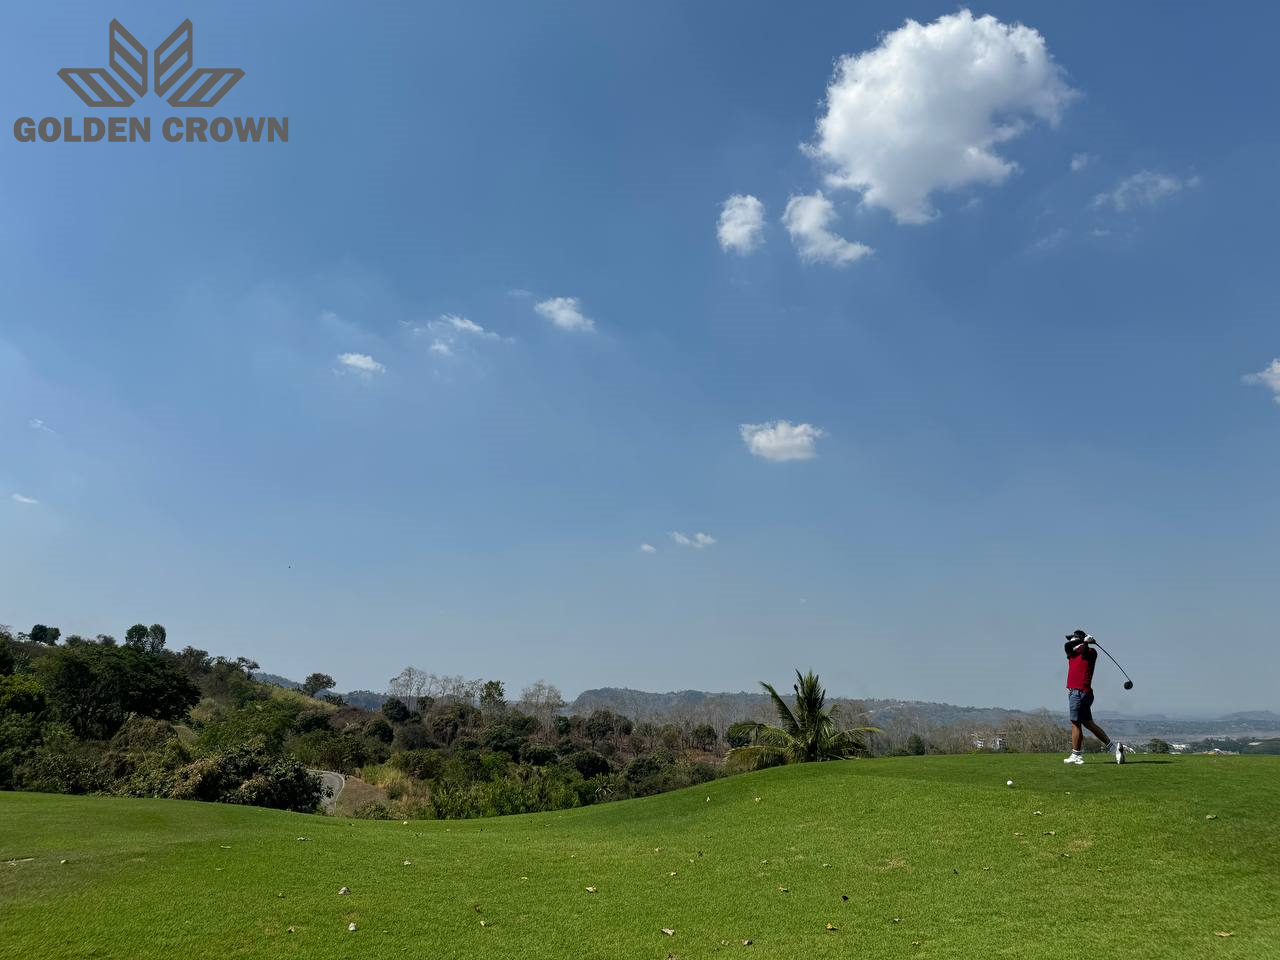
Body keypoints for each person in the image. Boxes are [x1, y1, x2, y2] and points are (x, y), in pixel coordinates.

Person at [1062, 629, 1125, 765]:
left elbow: (1085, 651)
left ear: (1078, 639)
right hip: (1081, 693)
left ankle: (1076, 755)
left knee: (1075, 723)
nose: (1070, 641)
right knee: (1088, 723)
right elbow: (1067, 646)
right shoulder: (1072, 653)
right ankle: (1114, 749)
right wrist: (1084, 641)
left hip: (1079, 693)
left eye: (1073, 638)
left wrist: (1086, 643)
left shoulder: (1091, 652)